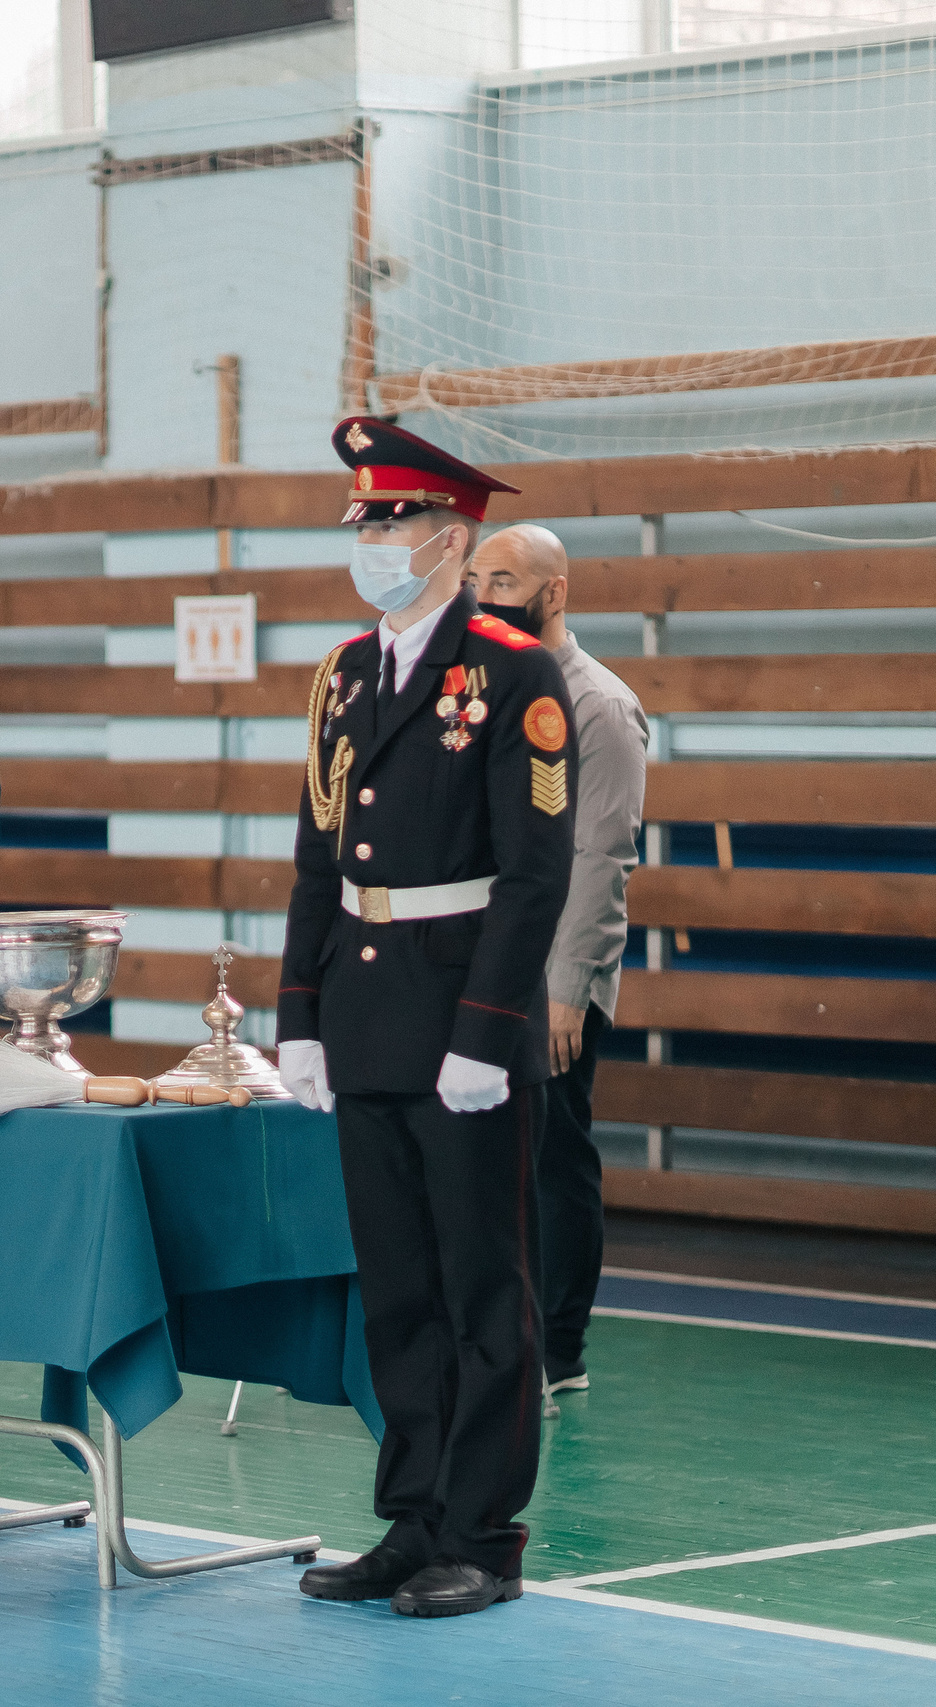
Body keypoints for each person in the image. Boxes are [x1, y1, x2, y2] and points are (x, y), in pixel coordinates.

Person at [279, 418, 575, 1620]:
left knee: (480, 1292)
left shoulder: (512, 669)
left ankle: (482, 1535)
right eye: (362, 522)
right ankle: (411, 1520)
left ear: (451, 536)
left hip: (464, 1025)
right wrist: (299, 1016)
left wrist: (486, 1029)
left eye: (391, 522)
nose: (372, 540)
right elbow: (314, 859)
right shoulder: (346, 671)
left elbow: (534, 871)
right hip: (363, 1012)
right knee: (394, 1286)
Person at [469, 523, 648, 1397]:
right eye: (475, 578)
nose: (483, 594)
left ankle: (558, 1347)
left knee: (551, 1155)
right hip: (479, 964)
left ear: (555, 592)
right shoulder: (474, 692)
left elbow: (600, 855)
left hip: (554, 975)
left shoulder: (599, 705)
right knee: (481, 1153)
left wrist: (569, 990)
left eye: (503, 579)